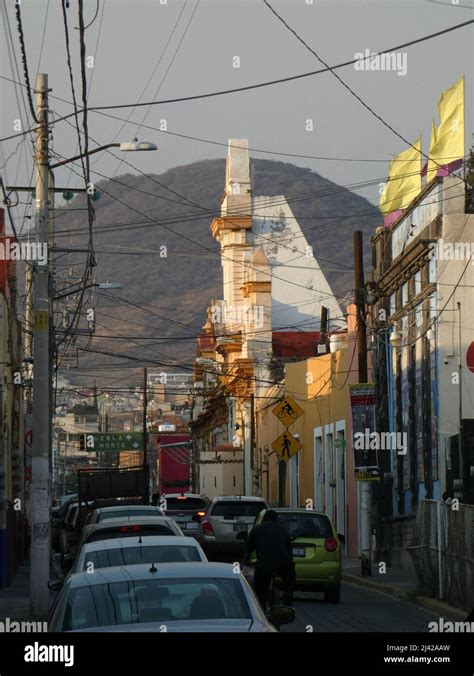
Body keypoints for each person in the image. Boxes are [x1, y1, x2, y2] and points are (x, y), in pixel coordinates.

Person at [244, 509, 295, 610]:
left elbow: (248, 549)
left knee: (260, 588)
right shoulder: (282, 530)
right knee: (290, 577)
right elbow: (289, 550)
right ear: (276, 520)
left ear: (264, 519)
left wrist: (246, 562)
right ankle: (288, 595)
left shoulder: (257, 529)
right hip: (283, 564)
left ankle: (261, 606)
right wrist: (290, 564)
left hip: (264, 564)